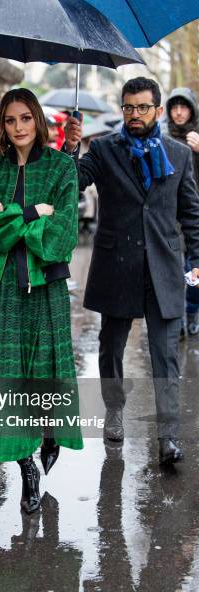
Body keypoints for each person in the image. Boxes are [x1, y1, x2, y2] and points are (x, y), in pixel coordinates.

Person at [64, 77, 199, 464]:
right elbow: (72, 184)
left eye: (142, 107)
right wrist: (71, 149)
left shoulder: (177, 153)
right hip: (117, 263)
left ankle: (168, 438)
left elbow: (190, 212)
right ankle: (114, 408)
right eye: (128, 107)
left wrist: (197, 260)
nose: (134, 114)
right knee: (111, 347)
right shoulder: (104, 149)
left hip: (164, 267)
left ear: (157, 110)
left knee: (165, 354)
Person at [0, 88, 83, 515]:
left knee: (44, 374)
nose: (18, 128)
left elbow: (62, 237)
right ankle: (25, 467)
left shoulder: (61, 168)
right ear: (1, 126)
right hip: (0, 290)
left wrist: (10, 218)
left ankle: (49, 434)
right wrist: (32, 213)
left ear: (38, 120)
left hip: (46, 289)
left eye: (25, 119)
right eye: (10, 121)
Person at [165, 88, 199, 336]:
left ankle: (192, 311)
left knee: (194, 270)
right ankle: (177, 320)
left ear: (192, 110)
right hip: (170, 216)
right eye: (174, 107)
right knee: (174, 271)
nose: (178, 112)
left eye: (183, 107)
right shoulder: (163, 138)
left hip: (195, 215)